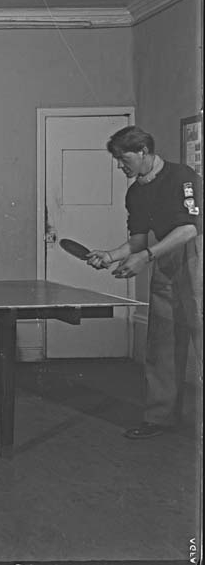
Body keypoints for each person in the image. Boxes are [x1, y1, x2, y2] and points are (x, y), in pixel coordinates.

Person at [87, 125, 202, 439]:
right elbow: (138, 240)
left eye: (123, 159)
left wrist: (147, 256)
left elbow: (190, 229)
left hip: (195, 256)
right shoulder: (135, 192)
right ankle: (160, 418)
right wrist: (110, 256)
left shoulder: (182, 177)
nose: (119, 166)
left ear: (143, 152)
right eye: (117, 159)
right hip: (165, 258)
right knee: (162, 342)